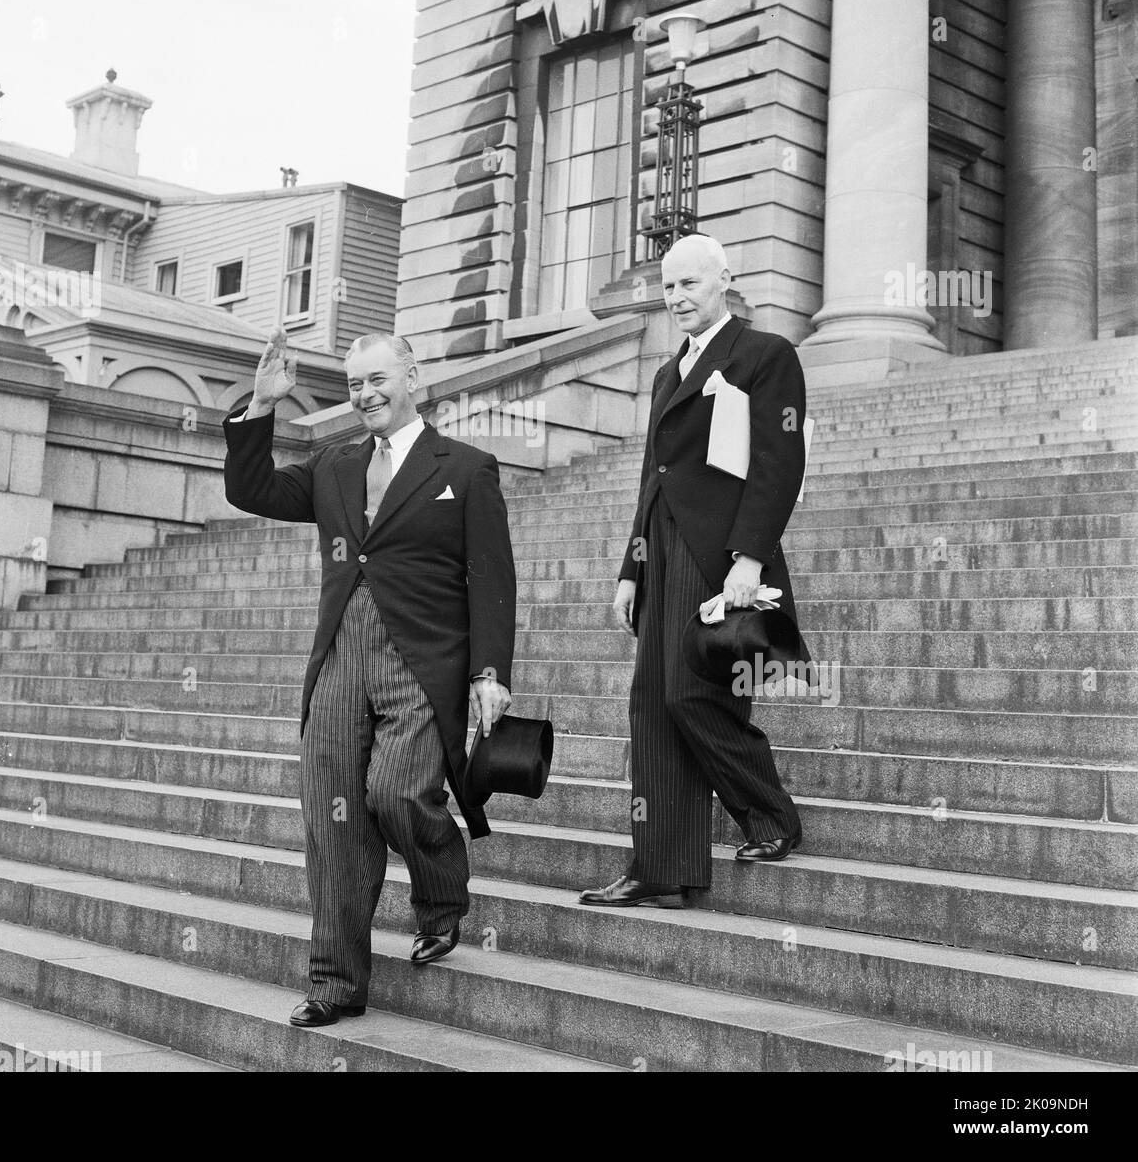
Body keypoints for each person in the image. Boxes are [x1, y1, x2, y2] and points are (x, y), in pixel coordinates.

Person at [223, 330, 515, 1025]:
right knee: (333, 822)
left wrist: (490, 672)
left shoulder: (466, 469)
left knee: (396, 794)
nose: (366, 394)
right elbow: (252, 489)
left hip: (422, 662)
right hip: (339, 661)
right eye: (354, 384)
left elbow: (491, 577)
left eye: (378, 379)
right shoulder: (333, 465)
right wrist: (260, 407)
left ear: (412, 375)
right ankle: (334, 984)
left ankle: (441, 892)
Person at [580, 234, 807, 908]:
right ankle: (660, 865)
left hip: (719, 557)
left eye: (689, 284)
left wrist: (748, 558)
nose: (676, 297)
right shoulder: (666, 372)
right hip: (661, 547)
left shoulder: (765, 355)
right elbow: (653, 475)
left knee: (692, 695)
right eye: (667, 286)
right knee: (651, 707)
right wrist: (630, 568)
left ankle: (770, 815)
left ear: (723, 281)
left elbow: (777, 463)